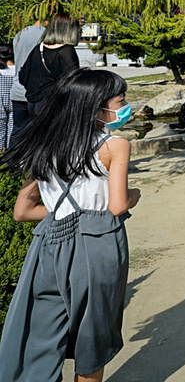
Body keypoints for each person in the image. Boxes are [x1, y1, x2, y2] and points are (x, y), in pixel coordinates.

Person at [0, 67, 142, 382]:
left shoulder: (44, 144)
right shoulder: (114, 145)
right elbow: (117, 205)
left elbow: (22, 211)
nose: (125, 107)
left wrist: (61, 212)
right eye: (120, 101)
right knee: (93, 335)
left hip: (48, 244)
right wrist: (135, 194)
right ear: (97, 107)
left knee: (42, 335)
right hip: (97, 244)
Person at [19, 14, 82, 119]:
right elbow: (73, 81)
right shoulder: (66, 51)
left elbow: (23, 76)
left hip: (33, 102)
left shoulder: (38, 48)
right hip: (53, 104)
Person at [9, 18, 46, 140]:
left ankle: (12, 159)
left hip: (18, 89)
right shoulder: (46, 35)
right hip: (37, 92)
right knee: (38, 134)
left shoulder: (19, 34)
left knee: (18, 130)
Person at [0, 43, 14, 150]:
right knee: (12, 125)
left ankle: (1, 146)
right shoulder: (18, 69)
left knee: (1, 123)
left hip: (1, 98)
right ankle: (10, 148)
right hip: (13, 98)